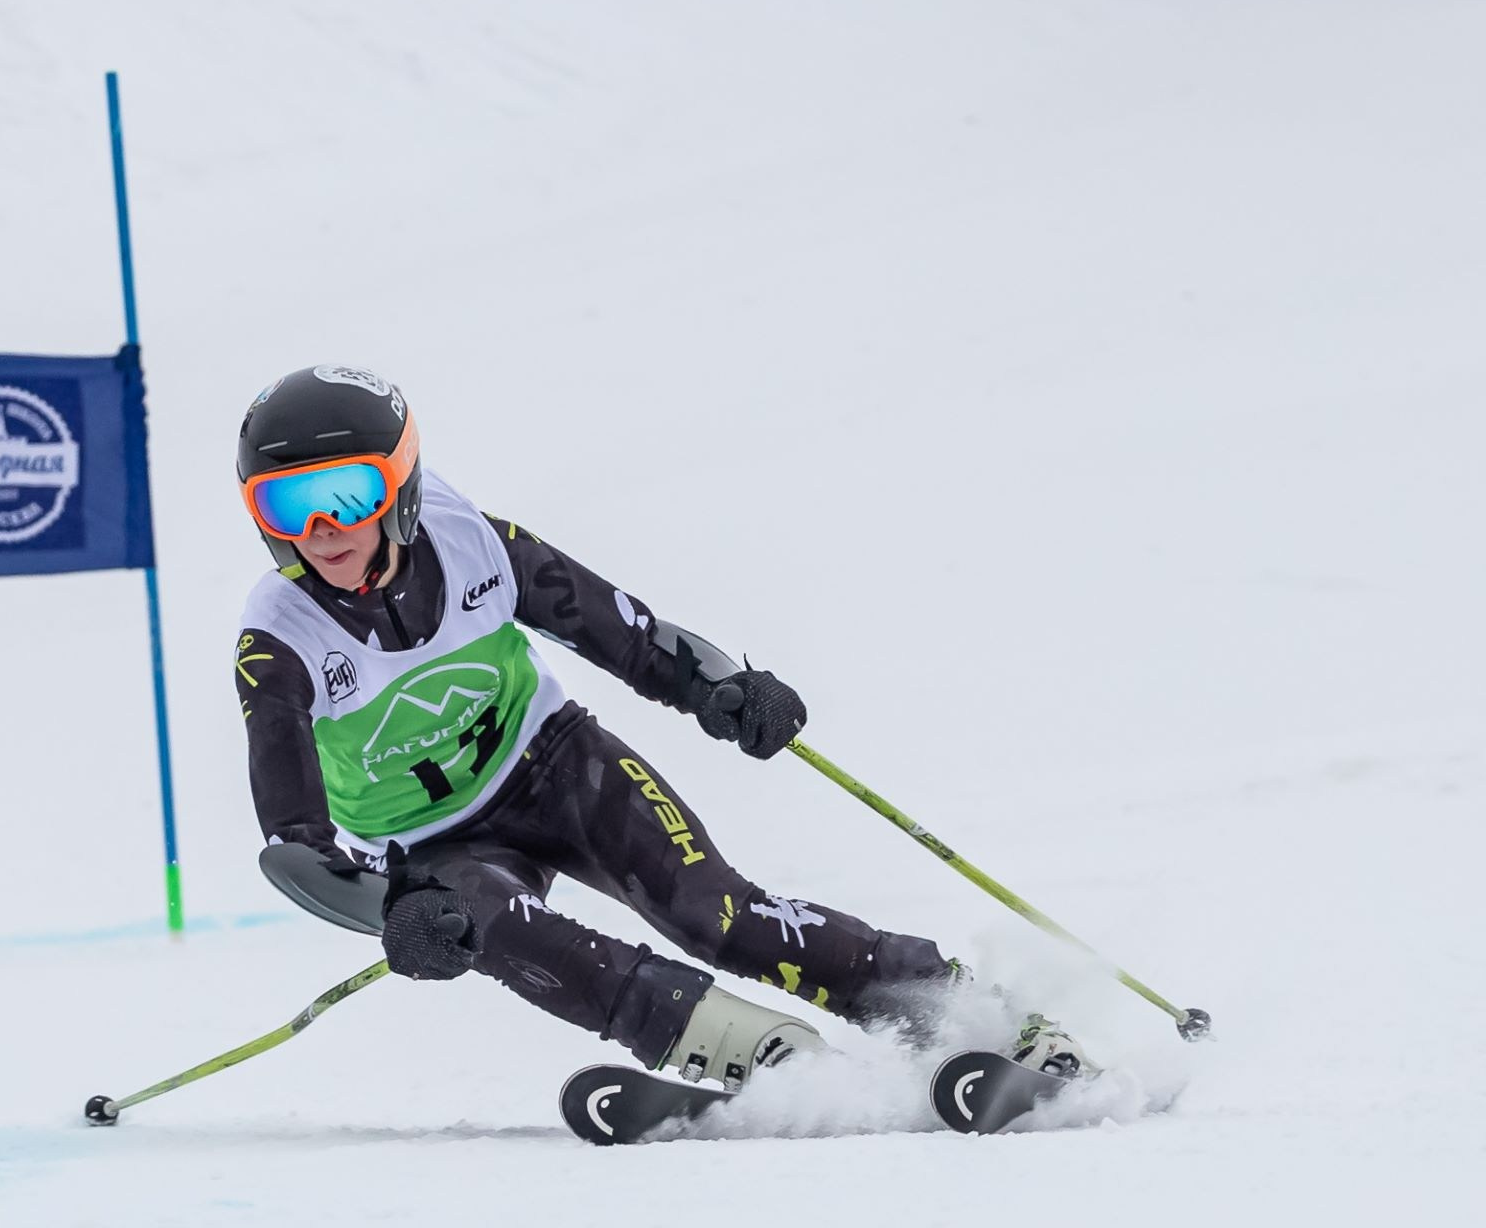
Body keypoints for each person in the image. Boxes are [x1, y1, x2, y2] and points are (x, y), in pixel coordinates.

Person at [230, 365, 1077, 1089]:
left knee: (715, 912)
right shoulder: (279, 642)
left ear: (401, 484)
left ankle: (975, 1012)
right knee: (489, 918)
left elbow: (619, 630)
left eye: (347, 493)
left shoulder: (474, 546)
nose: (321, 527)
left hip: (552, 760)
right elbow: (296, 846)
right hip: (426, 843)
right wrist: (393, 911)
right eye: (286, 504)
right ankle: (753, 1052)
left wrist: (720, 688)